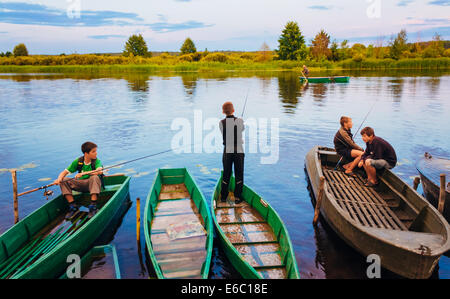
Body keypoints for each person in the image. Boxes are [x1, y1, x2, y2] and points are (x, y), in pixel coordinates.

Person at [54, 141, 105, 218]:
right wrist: (59, 179)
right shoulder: (78, 161)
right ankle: (73, 206)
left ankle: (93, 206)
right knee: (64, 180)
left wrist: (84, 173)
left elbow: (99, 171)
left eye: (96, 151)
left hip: (92, 185)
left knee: (94, 177)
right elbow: (64, 172)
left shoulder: (97, 161)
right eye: (93, 152)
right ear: (86, 153)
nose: (96, 153)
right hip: (80, 184)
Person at [219, 102, 245, 204]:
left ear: (223, 112)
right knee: (239, 173)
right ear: (233, 110)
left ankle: (223, 197)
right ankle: (238, 198)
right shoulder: (239, 121)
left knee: (226, 173)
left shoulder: (221, 123)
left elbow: (225, 132)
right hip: (238, 150)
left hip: (228, 150)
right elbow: (241, 129)